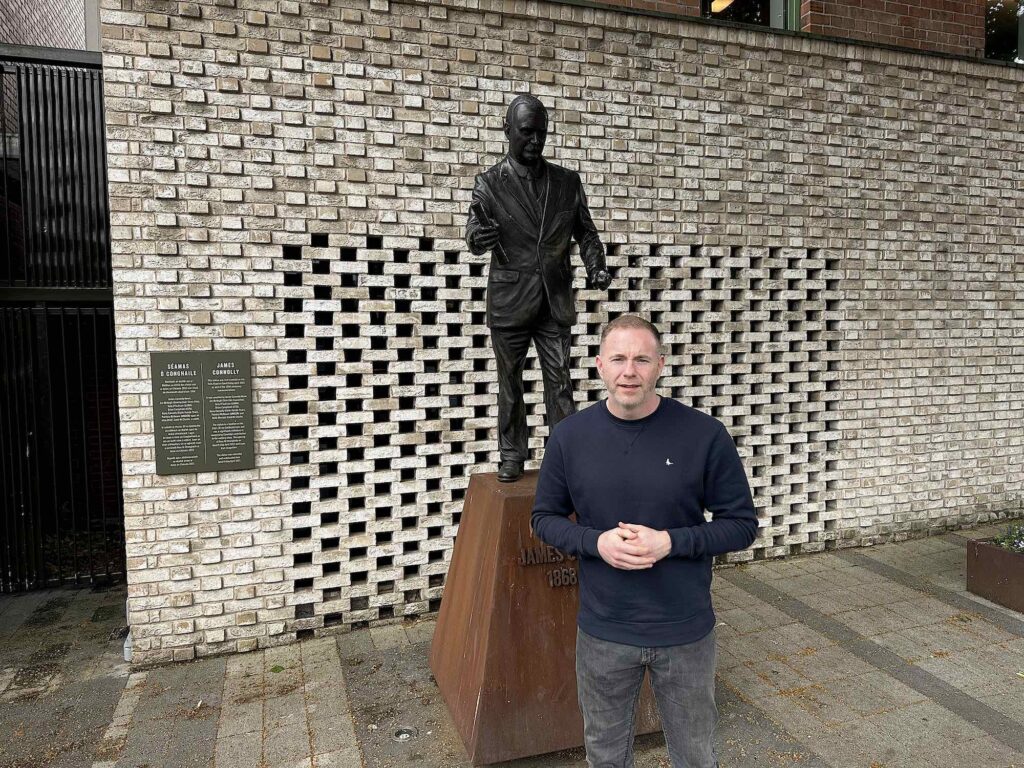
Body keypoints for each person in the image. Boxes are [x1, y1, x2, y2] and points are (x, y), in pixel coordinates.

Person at [531, 315, 759, 768]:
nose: (628, 371)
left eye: (640, 359)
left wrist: (669, 543)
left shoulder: (704, 435)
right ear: (599, 365)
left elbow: (740, 524)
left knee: (695, 756)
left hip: (685, 632)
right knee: (606, 756)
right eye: (618, 358)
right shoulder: (569, 437)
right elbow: (544, 518)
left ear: (660, 364)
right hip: (603, 631)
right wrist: (597, 544)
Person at [466, 94, 612, 483]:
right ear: (507, 130)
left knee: (560, 384)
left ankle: (563, 458)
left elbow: (586, 233)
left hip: (554, 300)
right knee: (510, 384)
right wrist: (481, 236)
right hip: (510, 301)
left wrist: (596, 266)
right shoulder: (488, 184)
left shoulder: (567, 182)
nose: (534, 141)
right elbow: (474, 236)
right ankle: (511, 455)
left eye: (541, 134)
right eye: (526, 132)